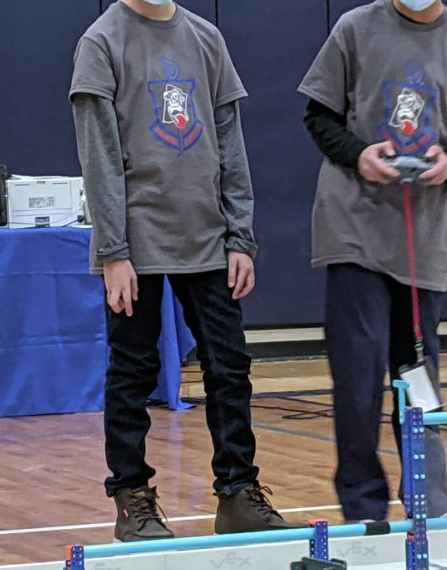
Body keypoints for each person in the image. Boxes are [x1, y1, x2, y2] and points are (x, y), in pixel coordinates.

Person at [69, 0, 300, 542]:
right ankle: (133, 499)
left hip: (209, 238)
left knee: (229, 366)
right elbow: (98, 156)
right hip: (136, 242)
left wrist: (240, 235)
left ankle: (238, 492)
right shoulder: (100, 43)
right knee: (132, 372)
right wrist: (113, 251)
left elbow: (230, 143)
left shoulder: (205, 37)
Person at [298, 0, 447, 523]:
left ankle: (429, 502)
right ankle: (363, 506)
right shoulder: (353, 29)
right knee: (358, 375)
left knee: (418, 375)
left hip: (424, 238)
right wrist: (359, 153)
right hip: (355, 228)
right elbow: (319, 115)